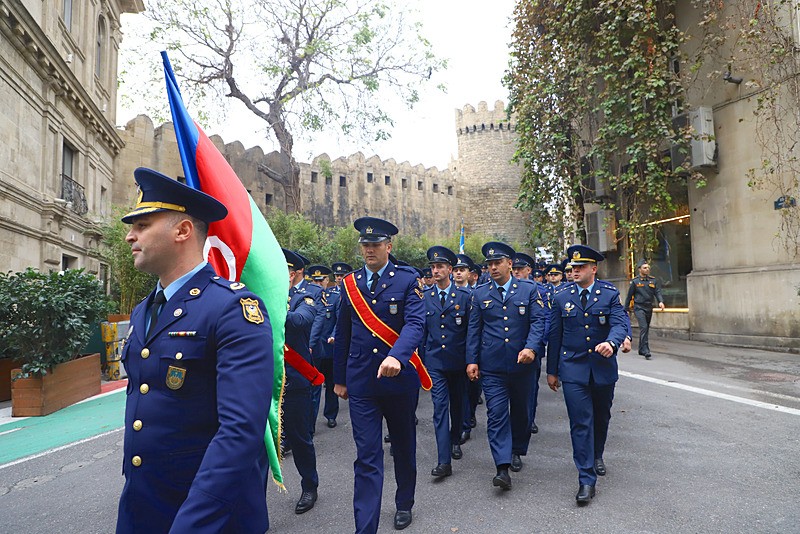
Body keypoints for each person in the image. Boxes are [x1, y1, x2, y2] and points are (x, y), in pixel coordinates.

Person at [116, 168, 272, 533]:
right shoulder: (144, 310)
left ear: (182, 231)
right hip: (144, 505)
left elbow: (239, 432)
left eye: (142, 224)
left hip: (207, 514)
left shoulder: (233, 308)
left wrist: (193, 524)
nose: (129, 236)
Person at [333, 217, 426, 533]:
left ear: (388, 246)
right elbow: (343, 332)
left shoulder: (407, 280)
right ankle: (366, 527)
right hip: (362, 382)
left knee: (403, 446)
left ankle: (404, 503)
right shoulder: (350, 284)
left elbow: (415, 324)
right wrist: (340, 379)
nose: (369, 249)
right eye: (365, 245)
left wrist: (397, 357)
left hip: (399, 382)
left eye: (375, 244)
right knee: (367, 456)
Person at [546, 245, 629, 506]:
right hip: (573, 368)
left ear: (594, 269)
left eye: (581, 267)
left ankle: (596, 455)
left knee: (601, 417)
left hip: (602, 368)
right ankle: (586, 479)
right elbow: (555, 336)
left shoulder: (609, 294)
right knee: (580, 422)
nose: (575, 271)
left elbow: (619, 323)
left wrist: (613, 343)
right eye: (573, 267)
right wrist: (552, 371)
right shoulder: (561, 296)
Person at [466, 241, 547, 490]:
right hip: (492, 367)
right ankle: (501, 467)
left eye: (497, 263)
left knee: (522, 412)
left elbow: (538, 322)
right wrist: (471, 360)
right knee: (497, 414)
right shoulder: (480, 294)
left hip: (523, 365)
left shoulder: (529, 290)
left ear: (509, 264)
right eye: (489, 264)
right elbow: (474, 329)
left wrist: (532, 348)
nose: (492, 268)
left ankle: (517, 449)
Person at [419, 246, 471, 478]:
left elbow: (471, 333)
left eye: (440, 266)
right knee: (440, 409)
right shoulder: (425, 297)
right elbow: (420, 331)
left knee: (458, 405)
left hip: (458, 362)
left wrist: (472, 361)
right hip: (435, 363)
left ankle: (456, 438)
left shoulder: (464, 297)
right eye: (433, 267)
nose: (436, 270)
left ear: (450, 269)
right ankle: (443, 461)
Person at [282, 248, 322, 514]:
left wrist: (269, 305)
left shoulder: (306, 295)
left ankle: (309, 485)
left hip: (294, 379)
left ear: (293, 273)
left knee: (299, 439)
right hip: (263, 378)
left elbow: (299, 322)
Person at [311, 265, 342, 428]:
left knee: (331, 383)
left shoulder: (334, 297)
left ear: (327, 281)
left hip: (329, 348)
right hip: (313, 347)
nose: (317, 283)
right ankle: (311, 422)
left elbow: (339, 320)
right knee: (313, 385)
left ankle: (330, 415)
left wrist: (334, 335)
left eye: (320, 280)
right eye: (314, 280)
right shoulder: (307, 297)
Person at [624, 260, 665, 360]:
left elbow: (657, 292)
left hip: (648, 307)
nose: (647, 269)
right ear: (639, 269)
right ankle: (646, 349)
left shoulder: (653, 280)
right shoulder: (635, 282)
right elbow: (629, 296)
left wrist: (660, 301)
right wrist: (625, 309)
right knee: (644, 327)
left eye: (648, 268)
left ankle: (641, 348)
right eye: (645, 268)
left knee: (646, 328)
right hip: (639, 307)